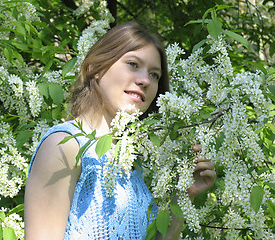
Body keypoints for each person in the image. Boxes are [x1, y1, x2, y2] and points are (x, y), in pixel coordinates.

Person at [24, 22, 216, 240]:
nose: (145, 80)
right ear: (95, 68)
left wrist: (184, 194)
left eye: (154, 75)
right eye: (133, 64)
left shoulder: (133, 164)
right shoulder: (65, 146)